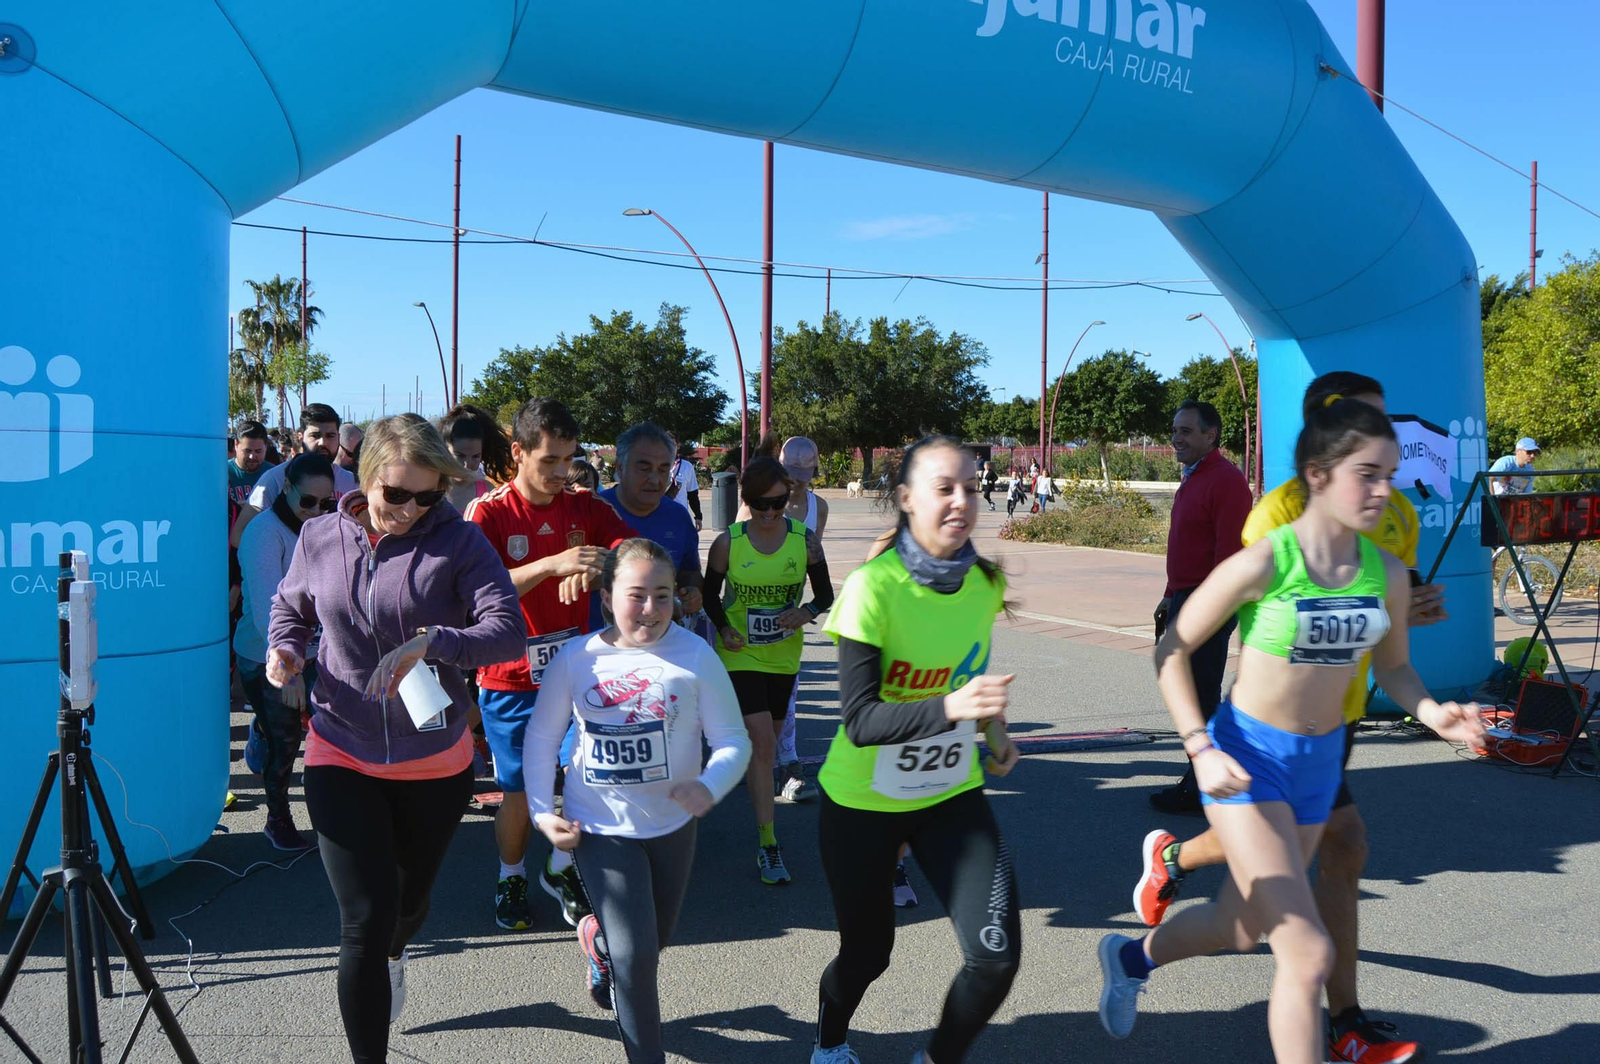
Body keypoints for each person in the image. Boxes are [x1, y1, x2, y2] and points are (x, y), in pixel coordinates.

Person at [1097, 398, 1485, 1064]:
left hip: (1318, 766)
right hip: (1248, 760)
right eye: (1367, 474)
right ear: (1317, 473)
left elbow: (1395, 671)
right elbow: (1171, 651)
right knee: (1305, 952)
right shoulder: (1266, 562)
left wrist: (1433, 714)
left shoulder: (1385, 572)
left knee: (1240, 925)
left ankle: (1132, 958)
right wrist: (1199, 747)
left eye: (1390, 474)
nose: (1382, 491)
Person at [266, 414, 524, 1064]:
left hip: (432, 757)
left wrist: (436, 643)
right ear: (366, 479)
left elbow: (507, 630)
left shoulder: (459, 545)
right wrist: (284, 649)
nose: (411, 509)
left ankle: (397, 950)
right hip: (339, 746)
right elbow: (290, 605)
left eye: (428, 496)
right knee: (364, 920)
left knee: (407, 905)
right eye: (396, 495)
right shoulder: (322, 536)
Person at [809, 435, 1021, 1064]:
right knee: (869, 954)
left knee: (996, 958)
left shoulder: (984, 582)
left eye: (971, 488)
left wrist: (995, 732)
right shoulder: (875, 587)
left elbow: (968, 671)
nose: (961, 501)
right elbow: (860, 721)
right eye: (943, 488)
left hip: (950, 791)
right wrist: (953, 709)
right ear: (905, 499)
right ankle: (829, 1040)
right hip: (862, 801)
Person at [526, 539, 752, 1061]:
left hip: (674, 826)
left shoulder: (695, 655)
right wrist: (543, 813)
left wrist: (709, 785)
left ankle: (598, 946)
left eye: (662, 596)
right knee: (636, 960)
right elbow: (541, 738)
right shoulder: (576, 658)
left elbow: (733, 741)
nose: (649, 610)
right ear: (607, 597)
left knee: (650, 946)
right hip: (599, 828)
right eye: (635, 595)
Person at [465, 398, 636, 932]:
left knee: (589, 771)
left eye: (569, 460)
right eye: (550, 461)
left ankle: (560, 867)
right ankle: (510, 873)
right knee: (519, 790)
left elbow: (631, 549)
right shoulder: (488, 512)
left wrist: (607, 563)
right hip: (510, 678)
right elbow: (473, 589)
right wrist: (550, 564)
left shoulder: (584, 506)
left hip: (576, 673)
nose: (563, 472)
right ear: (517, 452)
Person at [703, 457, 834, 886]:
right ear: (747, 501)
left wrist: (805, 612)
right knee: (762, 742)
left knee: (769, 740)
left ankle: (761, 810)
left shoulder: (805, 541)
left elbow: (826, 594)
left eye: (779, 502)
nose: (771, 512)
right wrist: (723, 627)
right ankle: (768, 843)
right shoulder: (729, 542)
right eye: (761, 504)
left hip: (783, 654)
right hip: (739, 653)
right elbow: (708, 595)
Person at [1148, 400, 1254, 815]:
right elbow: (1187, 548)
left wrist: (1203, 609)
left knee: (1199, 695)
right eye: (1175, 430)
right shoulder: (1194, 477)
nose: (1176, 438)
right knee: (1191, 692)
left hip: (1207, 601)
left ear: (1211, 436)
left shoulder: (1226, 481)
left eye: (1187, 431)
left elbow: (1228, 556)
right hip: (1186, 596)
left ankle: (1202, 786)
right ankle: (1202, 779)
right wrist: (1170, 594)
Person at [236, 452, 334, 850]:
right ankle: (277, 818)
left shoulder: (327, 527)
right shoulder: (264, 532)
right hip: (267, 655)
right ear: (286, 488)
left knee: (328, 733)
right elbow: (266, 608)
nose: (314, 511)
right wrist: (287, 668)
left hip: (319, 649)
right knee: (287, 739)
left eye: (324, 503)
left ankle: (260, 727)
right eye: (306, 501)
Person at [738, 436, 832, 804]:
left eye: (804, 476)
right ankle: (751, 761)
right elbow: (733, 551)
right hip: (745, 617)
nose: (797, 483)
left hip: (786, 620)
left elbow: (814, 567)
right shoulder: (755, 502)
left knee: (786, 696)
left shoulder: (818, 508)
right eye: (792, 475)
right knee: (751, 700)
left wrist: (805, 610)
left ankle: (788, 766)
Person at [233, 403, 357, 547]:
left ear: (339, 438)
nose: (323, 442)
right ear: (300, 437)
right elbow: (239, 535)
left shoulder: (350, 483)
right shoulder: (275, 479)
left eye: (330, 436)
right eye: (315, 435)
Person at [441, 402, 515, 513]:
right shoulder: (431, 492)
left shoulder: (488, 492)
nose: (467, 464)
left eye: (475, 456)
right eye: (460, 456)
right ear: (445, 450)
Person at [670, 441, 704, 530]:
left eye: (672, 444)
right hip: (659, 516)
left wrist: (698, 516)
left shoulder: (687, 466)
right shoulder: (655, 465)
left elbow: (692, 494)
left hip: (680, 517)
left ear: (678, 445)